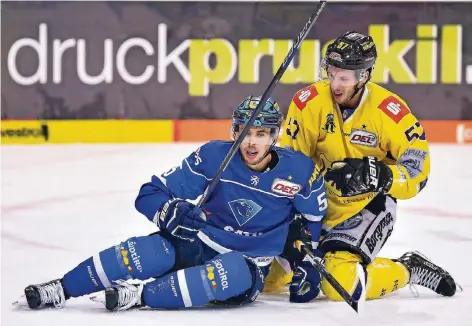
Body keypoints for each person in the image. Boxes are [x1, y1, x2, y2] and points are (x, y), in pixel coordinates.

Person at [14, 96, 328, 311]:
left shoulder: (299, 171)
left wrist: (306, 259)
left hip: (249, 265)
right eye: (245, 132)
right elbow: (150, 192)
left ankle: (138, 296)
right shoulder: (214, 155)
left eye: (261, 134)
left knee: (230, 270)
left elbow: (314, 219)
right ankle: (61, 288)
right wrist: (167, 212)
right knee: (148, 251)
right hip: (202, 241)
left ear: (274, 135)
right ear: (234, 131)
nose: (251, 142)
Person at [265, 31, 460, 303]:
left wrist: (381, 176)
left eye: (344, 78)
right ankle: (306, 262)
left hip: (368, 206)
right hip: (318, 204)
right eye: (331, 74)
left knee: (341, 287)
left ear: (364, 76)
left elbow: (418, 171)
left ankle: (407, 268)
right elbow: (292, 163)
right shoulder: (307, 102)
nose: (335, 84)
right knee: (267, 280)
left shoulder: (389, 112)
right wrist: (294, 215)